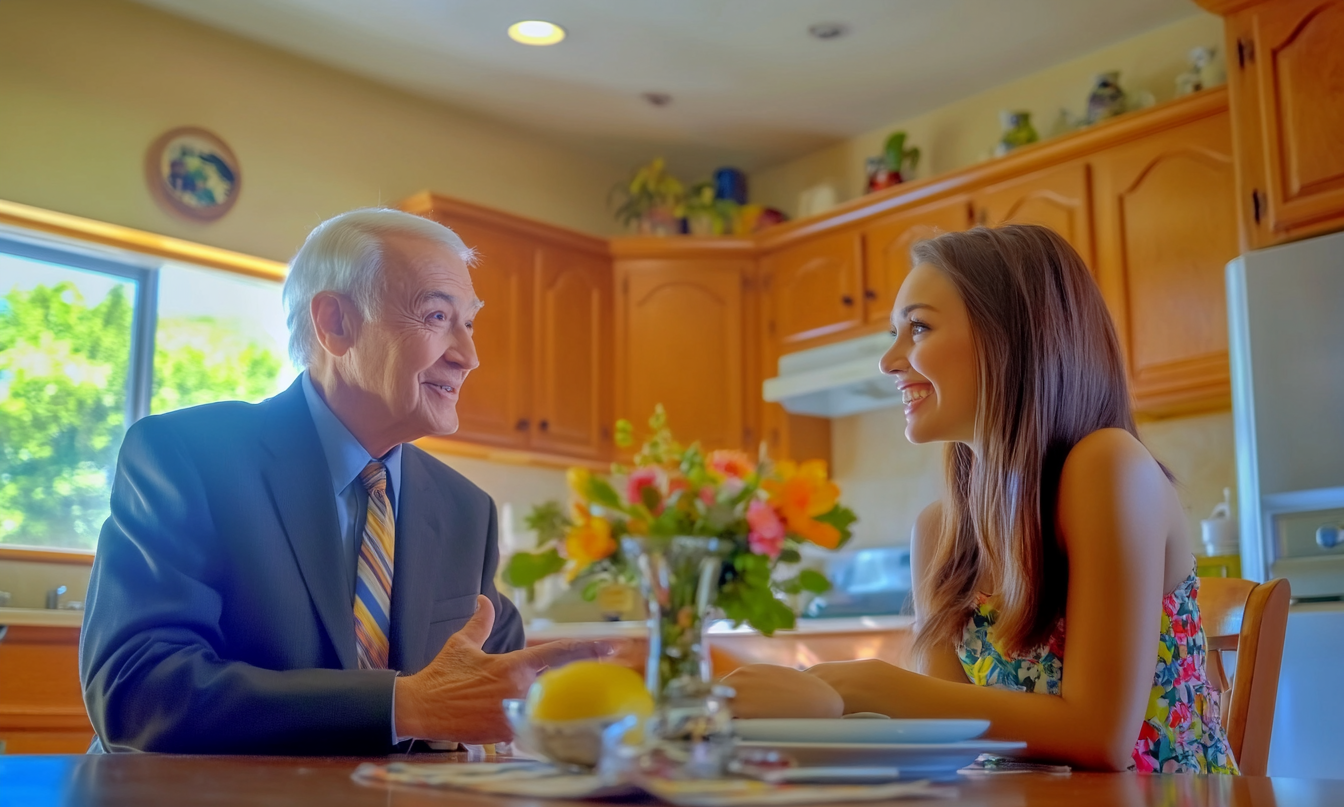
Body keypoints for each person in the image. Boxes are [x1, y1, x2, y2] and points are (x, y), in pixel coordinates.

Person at [81, 208, 606, 754]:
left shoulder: (465, 510)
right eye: (435, 317)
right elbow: (135, 691)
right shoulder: (185, 455)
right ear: (335, 323)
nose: (468, 357)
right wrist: (405, 707)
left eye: (468, 323)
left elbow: (498, 690)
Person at [725, 225, 1237, 774]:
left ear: (1013, 336)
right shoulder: (941, 532)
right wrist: (815, 702)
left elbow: (1100, 737)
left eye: (918, 327)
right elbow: (944, 744)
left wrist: (864, 685)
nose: (889, 362)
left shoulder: (1109, 466)